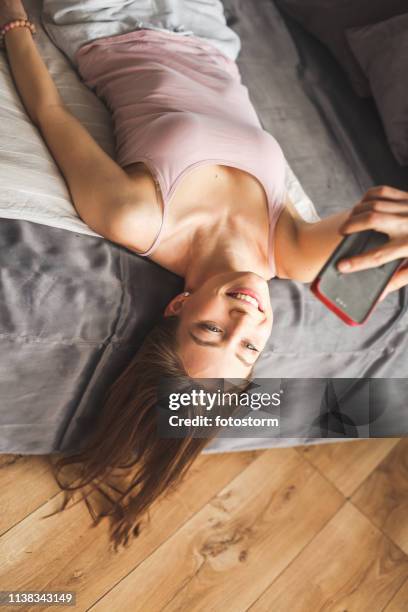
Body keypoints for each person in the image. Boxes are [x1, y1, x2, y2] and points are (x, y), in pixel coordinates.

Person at [1, 0, 408, 549]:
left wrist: (13, 20)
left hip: (109, 18)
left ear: (177, 307)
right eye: (247, 349)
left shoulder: (137, 217)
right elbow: (380, 226)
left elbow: (52, 113)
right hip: (209, 30)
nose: (246, 318)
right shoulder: (291, 252)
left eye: (212, 330)